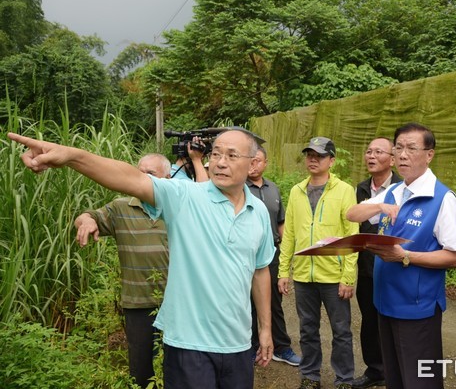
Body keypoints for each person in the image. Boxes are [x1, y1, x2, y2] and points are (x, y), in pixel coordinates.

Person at [8, 128, 275, 389]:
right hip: (189, 345)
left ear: (252, 163)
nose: (220, 163)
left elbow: (260, 271)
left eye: (231, 156)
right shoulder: (185, 197)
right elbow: (130, 178)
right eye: (215, 154)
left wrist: (264, 329)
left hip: (238, 344)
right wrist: (73, 156)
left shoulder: (259, 211)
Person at [346, 123, 456, 389]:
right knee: (396, 378)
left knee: (420, 380)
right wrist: (379, 205)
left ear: (429, 154)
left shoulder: (442, 199)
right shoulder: (393, 192)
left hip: (417, 308)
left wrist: (405, 256)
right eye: (398, 148)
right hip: (385, 303)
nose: (402, 155)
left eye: (411, 148)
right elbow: (351, 214)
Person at [74, 153, 172, 388]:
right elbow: (89, 215)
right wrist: (86, 222)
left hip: (176, 304)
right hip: (137, 304)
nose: (143, 178)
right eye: (140, 172)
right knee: (141, 370)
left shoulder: (179, 209)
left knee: (176, 367)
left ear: (168, 178)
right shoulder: (121, 208)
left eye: (151, 174)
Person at [278, 137, 359, 389]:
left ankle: (344, 379)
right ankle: (310, 376)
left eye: (319, 155)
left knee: (341, 331)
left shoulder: (345, 190)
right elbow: (289, 233)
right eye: (309, 154)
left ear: (331, 161)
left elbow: (351, 235)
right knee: (308, 330)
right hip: (303, 275)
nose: (313, 159)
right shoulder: (296, 190)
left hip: (333, 276)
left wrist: (348, 276)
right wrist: (283, 271)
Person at [351, 137, 400, 389]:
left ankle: (398, 370)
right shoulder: (360, 188)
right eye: (368, 151)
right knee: (369, 321)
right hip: (367, 268)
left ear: (392, 159)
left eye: (378, 152)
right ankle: (375, 370)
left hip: (394, 266)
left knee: (394, 321)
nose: (371, 155)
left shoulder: (403, 188)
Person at [247, 146, 301, 366]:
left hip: (272, 252)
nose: (253, 165)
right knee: (247, 301)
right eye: (250, 160)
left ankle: (281, 347)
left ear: (265, 163)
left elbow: (281, 224)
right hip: (246, 253)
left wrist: (288, 256)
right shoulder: (238, 188)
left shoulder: (274, 189)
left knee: (275, 300)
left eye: (258, 160)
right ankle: (250, 347)